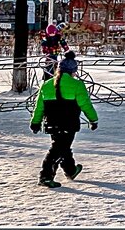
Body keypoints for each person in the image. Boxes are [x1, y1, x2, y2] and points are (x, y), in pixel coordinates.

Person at [29, 55, 98, 188]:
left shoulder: (46, 84)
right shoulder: (77, 85)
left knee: (62, 146)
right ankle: (45, 177)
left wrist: (35, 122)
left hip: (52, 123)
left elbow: (39, 107)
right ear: (73, 71)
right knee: (58, 149)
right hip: (69, 123)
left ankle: (71, 170)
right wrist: (93, 120)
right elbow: (86, 105)